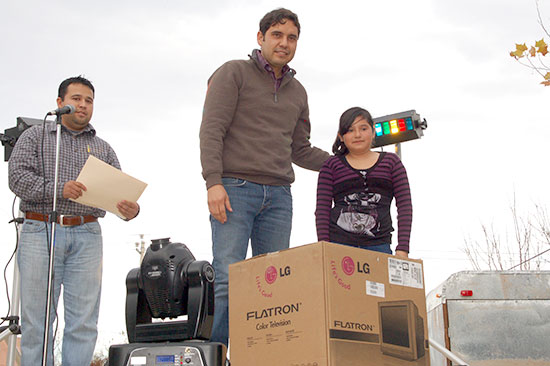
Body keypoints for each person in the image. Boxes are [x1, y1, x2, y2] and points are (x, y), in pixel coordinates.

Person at [199, 8, 329, 346]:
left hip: (279, 198)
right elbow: (212, 130)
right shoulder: (234, 73)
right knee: (228, 279)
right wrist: (213, 181)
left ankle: (263, 354)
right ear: (261, 38)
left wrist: (340, 165)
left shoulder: (298, 92)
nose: (284, 43)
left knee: (274, 285)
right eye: (277, 35)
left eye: (291, 38)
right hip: (233, 190)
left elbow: (300, 150)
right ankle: (223, 354)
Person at [8, 76, 140, 366]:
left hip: (88, 233)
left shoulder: (103, 148)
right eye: (76, 98)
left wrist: (129, 209)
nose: (83, 105)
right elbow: (17, 178)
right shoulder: (35, 137)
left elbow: (118, 192)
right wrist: (59, 189)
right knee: (37, 322)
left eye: (89, 101)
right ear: (60, 103)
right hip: (41, 229)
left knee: (83, 322)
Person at [315, 107, 412, 258]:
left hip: (379, 245)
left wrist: (403, 248)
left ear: (373, 132)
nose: (357, 135)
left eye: (363, 128)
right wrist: (323, 246)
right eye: (350, 130)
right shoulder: (331, 166)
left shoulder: (392, 162)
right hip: (338, 246)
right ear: (341, 136)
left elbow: (405, 206)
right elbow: (322, 210)